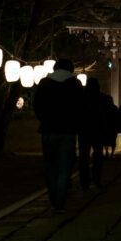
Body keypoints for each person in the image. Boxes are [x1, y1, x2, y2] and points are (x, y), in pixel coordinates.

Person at [33, 58, 84, 212]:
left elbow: (37, 105)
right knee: (64, 167)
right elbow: (81, 107)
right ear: (70, 69)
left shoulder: (44, 83)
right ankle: (59, 201)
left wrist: (44, 119)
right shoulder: (74, 84)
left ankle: (53, 196)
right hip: (68, 131)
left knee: (50, 165)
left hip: (48, 130)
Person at [78, 77, 114, 189]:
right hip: (99, 130)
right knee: (98, 155)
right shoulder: (105, 99)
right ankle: (97, 179)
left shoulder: (80, 99)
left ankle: (84, 181)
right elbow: (110, 115)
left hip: (83, 130)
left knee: (83, 156)